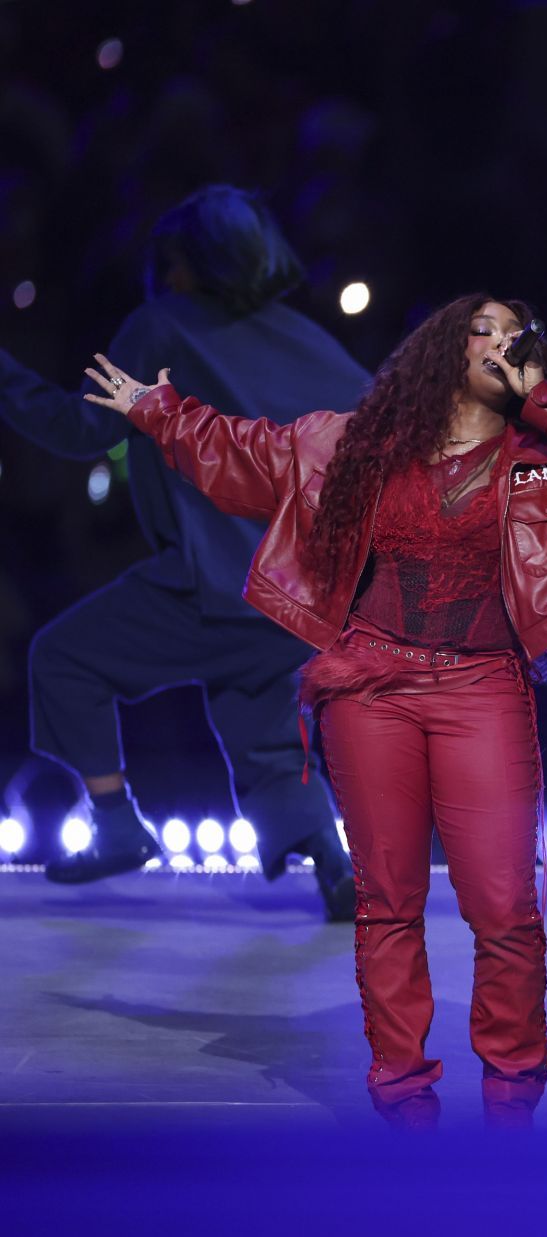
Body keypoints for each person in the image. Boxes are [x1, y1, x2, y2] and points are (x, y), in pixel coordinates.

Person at [81, 294, 547, 1126]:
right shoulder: (351, 446)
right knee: (387, 901)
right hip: (369, 687)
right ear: (441, 352)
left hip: (482, 687)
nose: (501, 344)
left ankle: (510, 1102)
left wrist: (545, 401)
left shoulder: (544, 460)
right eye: (482, 331)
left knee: (503, 906)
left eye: (516, 335)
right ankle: (402, 1097)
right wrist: (159, 411)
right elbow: (250, 454)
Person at [0, 186, 366, 917]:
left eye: (168, 264)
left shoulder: (161, 327)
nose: (162, 279)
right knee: (266, 736)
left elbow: (82, 432)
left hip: (218, 581)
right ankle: (334, 868)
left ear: (192, 266)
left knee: (65, 660)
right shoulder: (304, 336)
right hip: (305, 595)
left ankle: (115, 825)